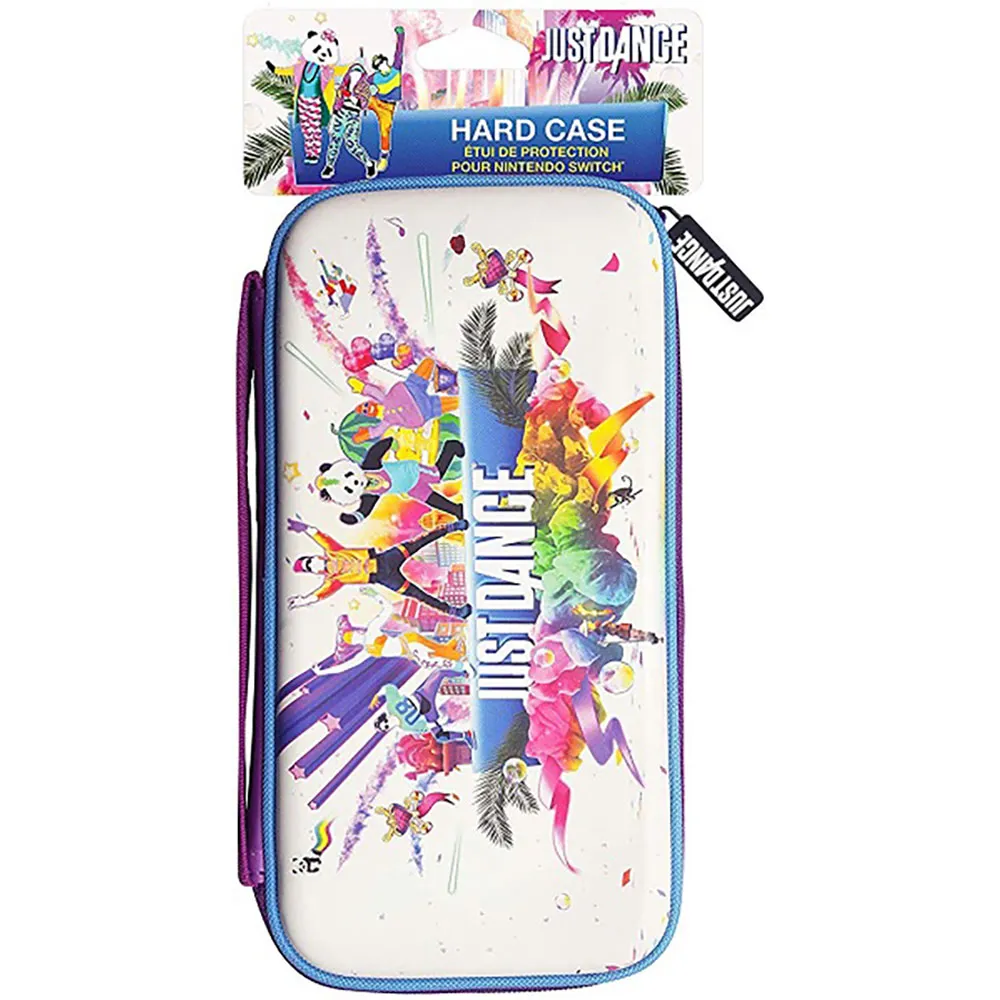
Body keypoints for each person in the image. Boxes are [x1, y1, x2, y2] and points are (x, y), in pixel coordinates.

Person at [286, 517, 471, 618]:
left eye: (311, 560)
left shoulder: (334, 552)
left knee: (418, 542)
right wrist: (303, 600)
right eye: (310, 567)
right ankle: (452, 611)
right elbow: (320, 594)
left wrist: (306, 528)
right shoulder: (333, 580)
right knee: (418, 595)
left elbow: (321, 537)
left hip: (385, 559)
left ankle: (451, 528)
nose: (315, 563)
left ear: (316, 556)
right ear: (315, 572)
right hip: (384, 578)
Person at [368, 25, 406, 173]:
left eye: (382, 63)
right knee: (356, 102)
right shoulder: (374, 77)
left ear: (386, 62)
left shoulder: (396, 69)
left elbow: (399, 51)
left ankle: (383, 158)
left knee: (385, 130)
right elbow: (360, 82)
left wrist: (400, 35)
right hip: (375, 101)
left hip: (387, 107)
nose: (382, 67)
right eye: (378, 66)